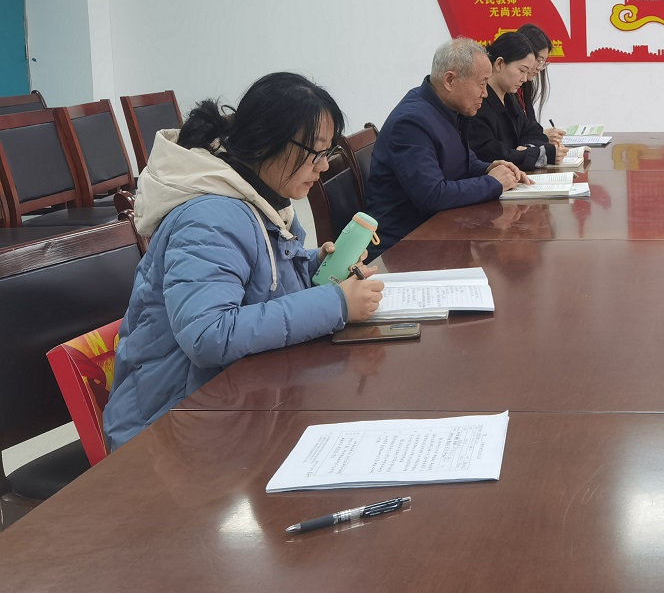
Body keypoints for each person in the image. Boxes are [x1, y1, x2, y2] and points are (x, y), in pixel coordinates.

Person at [104, 73, 385, 450]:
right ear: (269, 143)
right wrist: (337, 304)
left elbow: (253, 277)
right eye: (316, 153)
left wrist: (312, 264)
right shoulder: (209, 218)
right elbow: (208, 334)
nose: (323, 167)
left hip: (231, 403)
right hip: (171, 427)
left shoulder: (259, 196)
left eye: (328, 152)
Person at [366, 38, 528, 256]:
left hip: (438, 231)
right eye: (482, 84)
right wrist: (493, 183)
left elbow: (461, 161)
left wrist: (489, 167)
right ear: (450, 80)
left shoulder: (446, 108)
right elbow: (432, 195)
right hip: (404, 246)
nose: (485, 93)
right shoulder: (411, 122)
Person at [468, 31, 553, 172]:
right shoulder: (478, 104)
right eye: (522, 70)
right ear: (499, 63)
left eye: (527, 72)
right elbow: (491, 154)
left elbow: (533, 131)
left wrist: (526, 149)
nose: (524, 79)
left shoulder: (510, 98)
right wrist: (536, 154)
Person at [516, 23, 565, 150]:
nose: (539, 68)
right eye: (539, 60)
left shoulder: (525, 87)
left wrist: (541, 136)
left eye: (543, 62)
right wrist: (543, 136)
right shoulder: (508, 88)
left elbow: (528, 127)